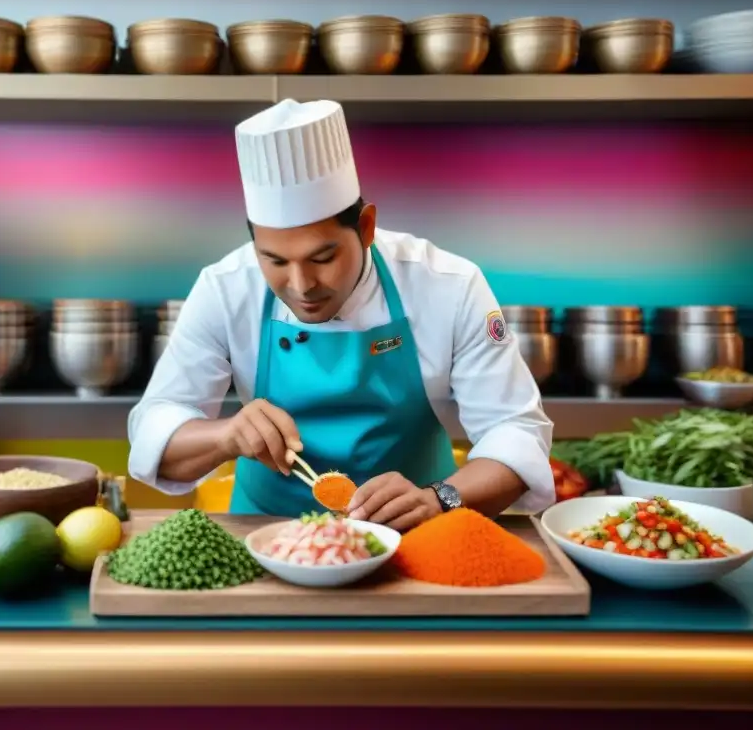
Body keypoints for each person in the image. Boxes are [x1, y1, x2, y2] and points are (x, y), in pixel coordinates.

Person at [127, 98, 554, 531]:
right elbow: (155, 428)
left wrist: (440, 499)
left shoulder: (448, 285)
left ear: (366, 228)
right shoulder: (226, 288)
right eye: (274, 260)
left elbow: (516, 433)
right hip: (264, 537)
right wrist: (225, 435)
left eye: (323, 257)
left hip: (419, 533)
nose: (301, 284)